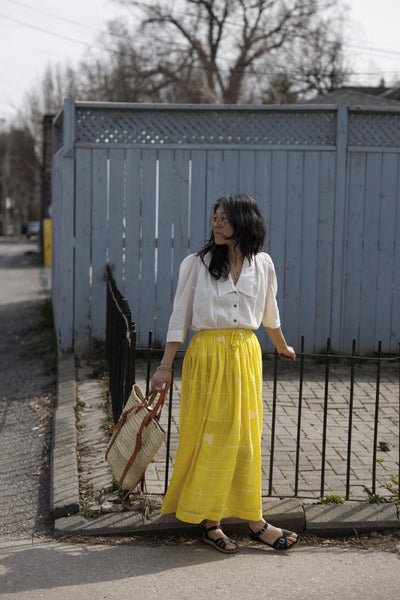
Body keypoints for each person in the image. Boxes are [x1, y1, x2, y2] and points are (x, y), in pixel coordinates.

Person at [151, 193, 298, 554]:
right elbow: (179, 317)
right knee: (210, 436)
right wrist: (165, 367)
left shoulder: (262, 264)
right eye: (215, 218)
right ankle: (211, 523)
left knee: (246, 438)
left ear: (244, 224)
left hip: (245, 355)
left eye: (224, 219)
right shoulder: (197, 264)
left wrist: (281, 345)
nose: (216, 225)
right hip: (207, 356)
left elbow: (269, 313)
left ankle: (254, 520)